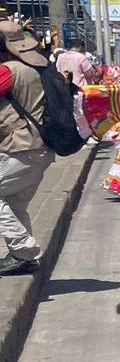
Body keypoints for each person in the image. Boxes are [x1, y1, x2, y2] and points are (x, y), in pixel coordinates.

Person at [0, 21, 54, 275]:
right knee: (14, 202)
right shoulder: (39, 68)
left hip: (19, 147)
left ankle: (24, 250)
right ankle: (22, 258)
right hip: (39, 147)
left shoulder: (9, 71)